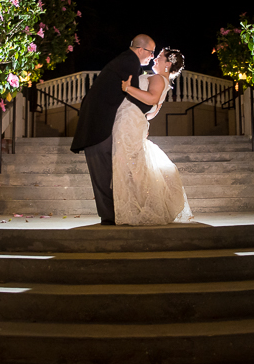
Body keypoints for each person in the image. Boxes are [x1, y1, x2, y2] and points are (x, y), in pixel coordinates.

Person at [70, 34, 157, 225]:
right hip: (97, 126)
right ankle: (110, 216)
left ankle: (114, 214)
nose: (152, 56)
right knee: (102, 174)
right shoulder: (129, 61)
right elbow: (133, 95)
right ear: (141, 49)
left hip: (101, 124)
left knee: (108, 173)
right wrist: (148, 112)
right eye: (151, 52)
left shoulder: (126, 60)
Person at [112, 49, 193, 225]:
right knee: (132, 163)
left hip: (129, 120)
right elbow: (153, 111)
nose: (155, 60)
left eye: (159, 58)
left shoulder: (157, 78)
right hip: (135, 120)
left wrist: (128, 88)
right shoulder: (164, 82)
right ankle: (139, 205)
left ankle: (136, 207)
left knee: (127, 162)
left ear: (168, 64)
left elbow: (151, 99)